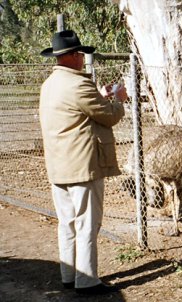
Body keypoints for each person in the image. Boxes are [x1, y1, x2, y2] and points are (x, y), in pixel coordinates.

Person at [39, 30, 128, 295]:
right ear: (75, 56)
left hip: (59, 166)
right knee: (87, 224)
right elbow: (108, 117)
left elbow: (78, 110)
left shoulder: (50, 84)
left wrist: (99, 95)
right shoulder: (78, 84)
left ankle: (69, 276)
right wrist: (118, 100)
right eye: (81, 54)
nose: (82, 58)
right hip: (83, 165)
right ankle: (87, 281)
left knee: (67, 222)